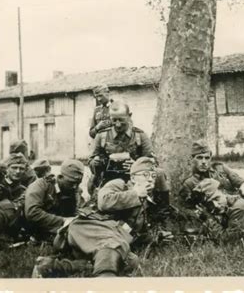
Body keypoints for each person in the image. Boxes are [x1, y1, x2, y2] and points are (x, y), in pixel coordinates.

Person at [32, 157, 171, 278]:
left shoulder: (144, 202)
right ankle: (105, 282)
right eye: (145, 174)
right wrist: (134, 194)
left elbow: (134, 230)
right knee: (113, 246)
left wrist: (155, 238)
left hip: (103, 239)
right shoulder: (120, 184)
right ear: (133, 178)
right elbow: (103, 202)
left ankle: (49, 266)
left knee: (131, 261)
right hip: (89, 226)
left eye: (153, 175)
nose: (150, 179)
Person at [179, 140, 244, 239]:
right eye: (199, 158)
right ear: (192, 159)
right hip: (220, 217)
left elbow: (241, 182)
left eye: (207, 158)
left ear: (210, 159)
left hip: (237, 208)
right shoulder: (189, 183)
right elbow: (188, 210)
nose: (204, 162)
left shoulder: (220, 169)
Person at [87, 100, 154, 195]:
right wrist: (95, 162)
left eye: (121, 120)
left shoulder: (140, 136)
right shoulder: (101, 136)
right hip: (107, 184)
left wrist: (136, 166)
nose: (117, 124)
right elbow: (90, 161)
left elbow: (151, 163)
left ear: (129, 116)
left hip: (135, 184)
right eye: (114, 120)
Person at [24, 159, 85, 237]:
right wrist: (64, 221)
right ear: (60, 177)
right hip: (37, 229)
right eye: (71, 183)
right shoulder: (40, 186)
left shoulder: (75, 190)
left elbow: (79, 211)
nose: (74, 186)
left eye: (78, 183)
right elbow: (32, 213)